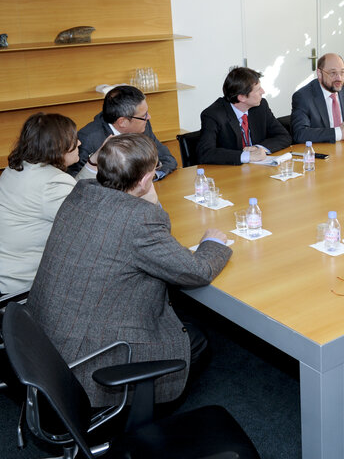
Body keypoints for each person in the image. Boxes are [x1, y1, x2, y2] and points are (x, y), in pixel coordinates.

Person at [27, 134, 232, 407]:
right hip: (85, 359)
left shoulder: (81, 191)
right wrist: (213, 243)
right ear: (146, 180)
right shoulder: (137, 221)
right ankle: (145, 415)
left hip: (45, 343)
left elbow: (149, 241)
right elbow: (197, 271)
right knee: (195, 343)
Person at [0, 113, 84, 295]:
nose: (79, 143)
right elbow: (89, 223)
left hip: (6, 275)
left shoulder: (15, 169)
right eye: (73, 139)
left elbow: (74, 197)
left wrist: (92, 165)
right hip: (25, 288)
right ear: (57, 145)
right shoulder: (54, 183)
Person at [69, 85, 178, 179]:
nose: (149, 117)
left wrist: (151, 176)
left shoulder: (143, 126)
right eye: (144, 115)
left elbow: (168, 159)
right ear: (122, 122)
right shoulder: (88, 139)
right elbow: (78, 181)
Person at [198, 67, 291, 165]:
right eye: (258, 89)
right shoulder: (213, 115)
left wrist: (258, 148)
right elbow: (205, 153)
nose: (263, 92)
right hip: (231, 174)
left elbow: (284, 136)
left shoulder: (261, 106)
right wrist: (248, 156)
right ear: (241, 97)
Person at [290, 53, 344, 144]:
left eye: (342, 72)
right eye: (333, 73)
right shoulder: (303, 96)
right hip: (323, 152)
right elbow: (300, 134)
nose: (339, 78)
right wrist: (339, 133)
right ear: (319, 73)